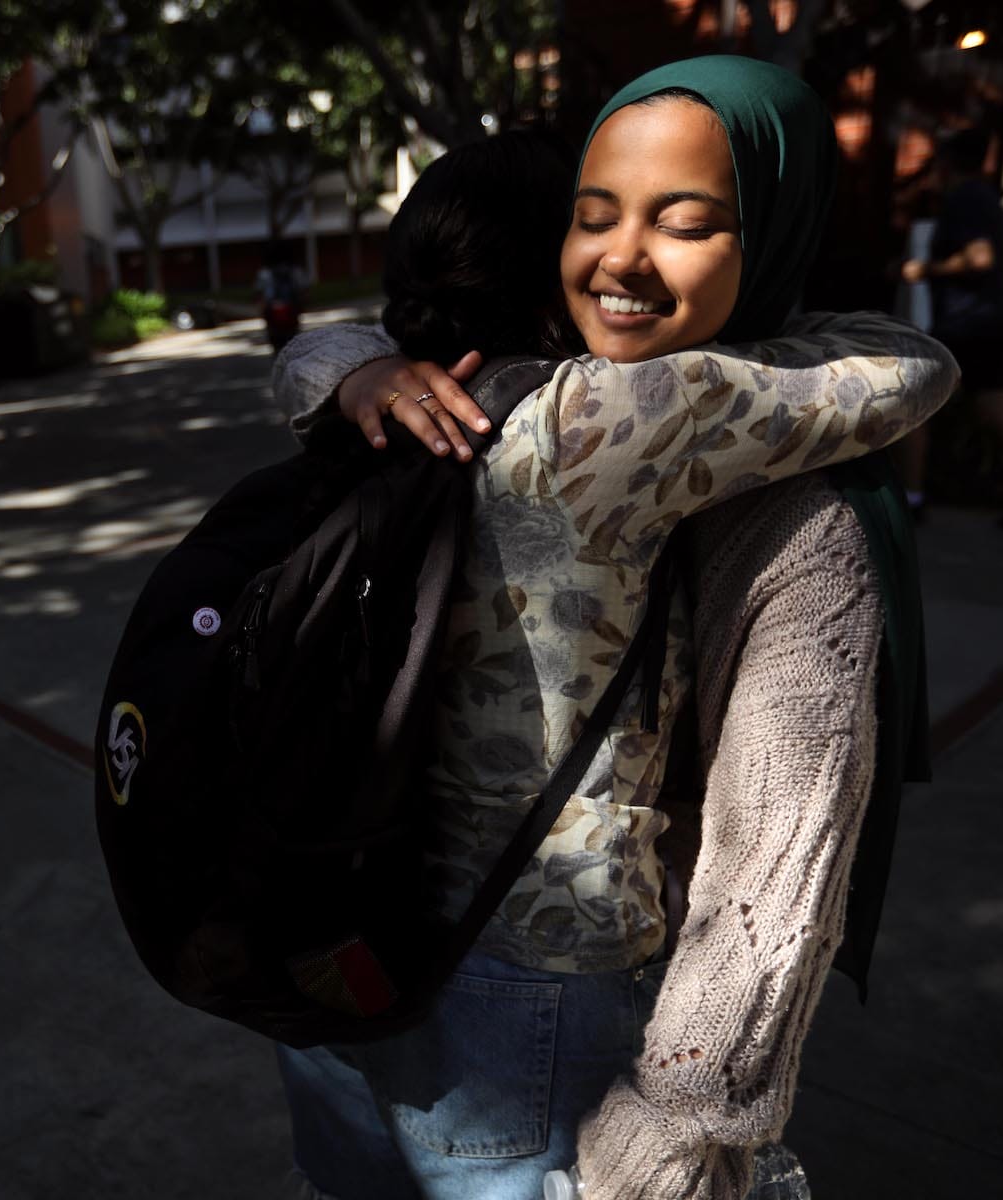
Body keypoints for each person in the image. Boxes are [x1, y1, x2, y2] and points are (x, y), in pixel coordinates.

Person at [271, 57, 953, 1199]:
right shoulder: (610, 423)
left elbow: (297, 356)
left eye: (680, 220)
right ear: (547, 260)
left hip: (336, 933)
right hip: (528, 975)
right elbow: (904, 366)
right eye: (593, 218)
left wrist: (360, 367)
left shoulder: (390, 415)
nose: (621, 258)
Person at [898, 127, 1003, 527]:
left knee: (916, 405)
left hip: (966, 322)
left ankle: (911, 500)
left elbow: (980, 258)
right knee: (995, 407)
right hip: (988, 319)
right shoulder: (986, 198)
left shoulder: (966, 199)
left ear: (948, 162)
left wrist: (925, 269)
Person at [258, 241, 309, 352]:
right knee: (293, 343)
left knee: (276, 346)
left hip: (272, 314)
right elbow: (303, 291)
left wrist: (263, 311)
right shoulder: (295, 271)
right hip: (291, 311)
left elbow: (261, 295)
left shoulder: (265, 273)